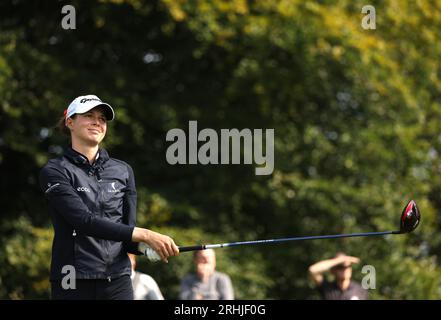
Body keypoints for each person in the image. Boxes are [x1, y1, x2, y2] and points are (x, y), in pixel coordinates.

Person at [39, 94, 180, 300]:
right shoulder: (55, 171)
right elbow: (83, 221)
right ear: (70, 122)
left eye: (102, 119)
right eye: (89, 115)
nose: (97, 122)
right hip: (71, 278)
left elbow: (128, 235)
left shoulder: (123, 170)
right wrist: (147, 235)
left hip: (117, 279)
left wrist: (145, 247)